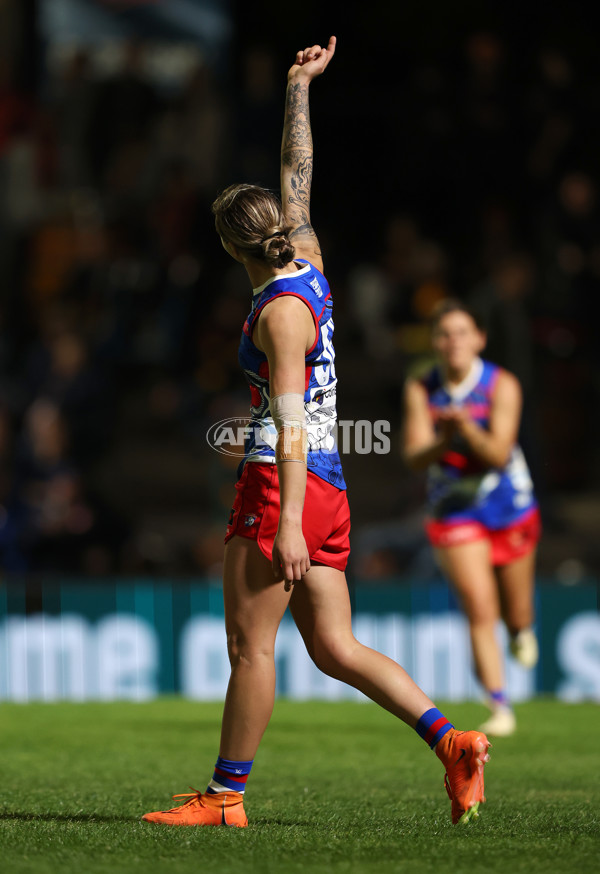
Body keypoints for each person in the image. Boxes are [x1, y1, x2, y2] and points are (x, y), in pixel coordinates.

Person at [142, 37, 490, 829]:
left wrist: (288, 521)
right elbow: (297, 174)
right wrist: (299, 87)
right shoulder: (308, 260)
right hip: (332, 483)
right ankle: (451, 740)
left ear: (230, 247)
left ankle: (225, 797)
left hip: (287, 482)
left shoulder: (277, 314)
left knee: (250, 648)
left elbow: (290, 420)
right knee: (334, 648)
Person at [402, 299, 541, 737]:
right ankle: (500, 705)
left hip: (509, 504)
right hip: (454, 510)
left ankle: (521, 630)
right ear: (435, 342)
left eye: (463, 333)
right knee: (479, 607)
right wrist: (444, 439)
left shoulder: (502, 384)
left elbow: (498, 454)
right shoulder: (421, 387)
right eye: (445, 334)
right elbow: (413, 456)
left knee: (515, 613)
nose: (453, 342)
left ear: (479, 338)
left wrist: (465, 430)